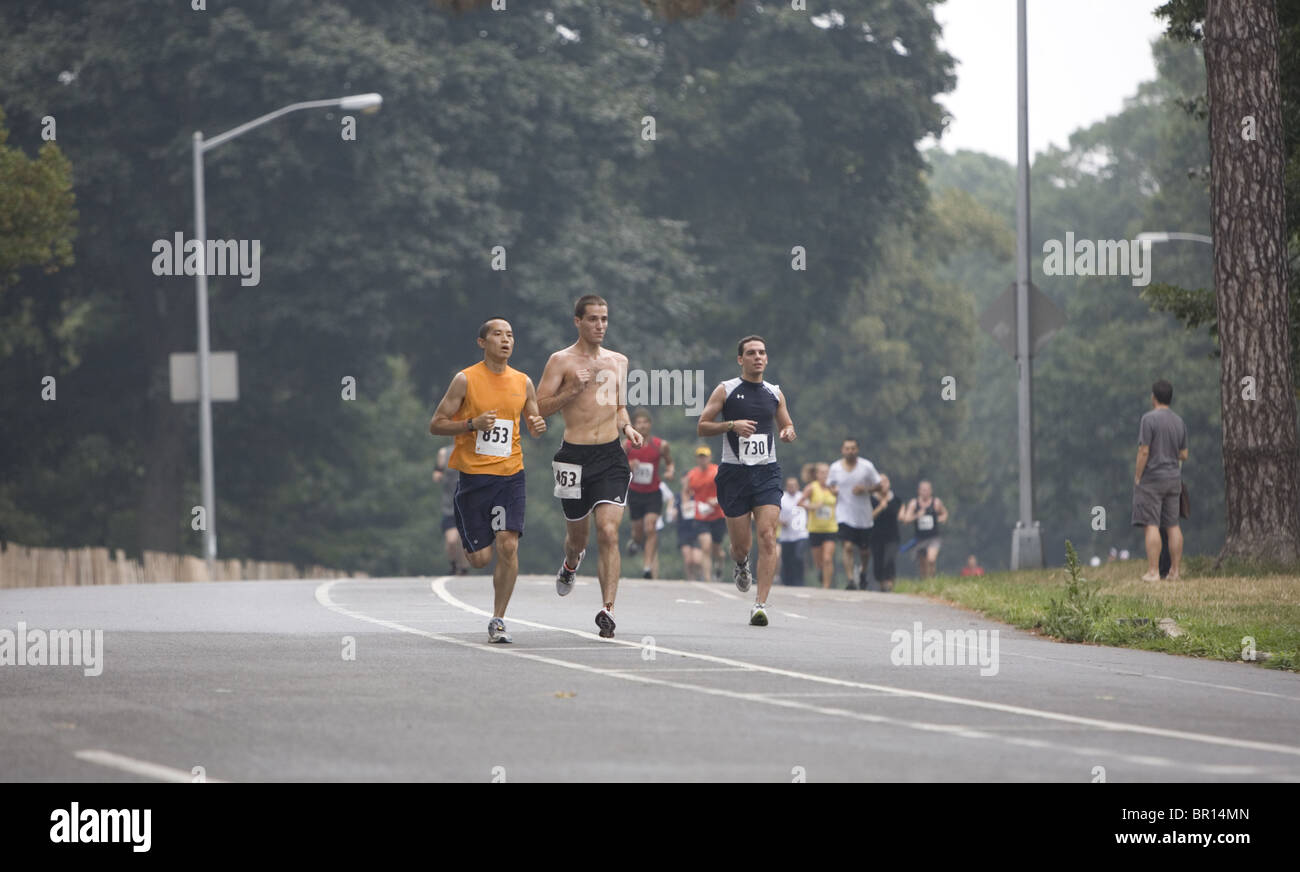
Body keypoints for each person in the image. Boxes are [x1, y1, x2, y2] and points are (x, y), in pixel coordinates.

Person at [427, 318, 546, 643]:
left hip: (510, 476)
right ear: (482, 342)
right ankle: (474, 537)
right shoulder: (465, 380)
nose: (506, 340)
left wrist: (536, 426)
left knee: (508, 545)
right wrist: (471, 424)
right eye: (498, 334)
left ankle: (499, 619)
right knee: (480, 559)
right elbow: (436, 424)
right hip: (473, 479)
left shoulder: (523, 381)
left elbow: (533, 420)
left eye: (510, 335)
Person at [536, 295, 641, 638]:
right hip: (573, 458)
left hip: (611, 456)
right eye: (593, 319)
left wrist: (627, 427)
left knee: (609, 532)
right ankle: (570, 563)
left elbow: (620, 406)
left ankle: (607, 609)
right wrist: (572, 389)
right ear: (577, 321)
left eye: (605, 319)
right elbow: (539, 408)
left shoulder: (619, 361)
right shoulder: (561, 361)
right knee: (578, 539)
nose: (600, 325)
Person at [697, 335, 797, 626]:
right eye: (751, 353)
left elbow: (786, 422)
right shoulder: (726, 390)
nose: (758, 357)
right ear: (741, 359)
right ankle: (741, 564)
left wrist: (788, 431)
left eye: (762, 353)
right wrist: (731, 425)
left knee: (767, 535)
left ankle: (760, 604)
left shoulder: (774, 392)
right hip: (734, 474)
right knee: (741, 545)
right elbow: (702, 426)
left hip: (767, 472)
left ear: (767, 358)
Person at [1131, 379, 1188, 582]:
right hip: (1174, 479)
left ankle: (1154, 571)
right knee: (1173, 525)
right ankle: (1175, 571)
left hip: (1153, 478)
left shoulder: (1149, 420)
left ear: (1153, 397)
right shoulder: (1179, 421)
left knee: (1151, 524)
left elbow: (1144, 450)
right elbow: (1184, 454)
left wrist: (1138, 475)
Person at [826, 438, 884, 590]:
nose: (850, 451)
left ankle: (863, 573)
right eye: (847, 448)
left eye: (853, 448)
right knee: (848, 546)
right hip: (844, 513)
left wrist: (865, 489)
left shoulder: (866, 467)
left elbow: (880, 487)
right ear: (842, 450)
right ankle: (851, 579)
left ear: (857, 450)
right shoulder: (835, 468)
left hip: (863, 516)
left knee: (865, 551)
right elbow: (830, 485)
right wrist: (834, 491)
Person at [624, 408, 674, 579]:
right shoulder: (627, 446)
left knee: (650, 528)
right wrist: (629, 465)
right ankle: (636, 542)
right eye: (639, 423)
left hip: (653, 492)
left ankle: (647, 567)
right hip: (635, 493)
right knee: (638, 531)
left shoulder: (660, 445)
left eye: (645, 422)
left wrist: (669, 472)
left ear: (650, 425)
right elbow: (617, 465)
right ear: (633, 425)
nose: (642, 426)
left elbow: (669, 464)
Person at [684, 446, 727, 582]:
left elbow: (726, 489)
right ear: (697, 459)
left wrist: (717, 499)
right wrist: (687, 504)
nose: (702, 459)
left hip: (717, 514)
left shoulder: (716, 471)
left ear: (709, 458)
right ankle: (708, 579)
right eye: (700, 457)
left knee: (717, 549)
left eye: (704, 456)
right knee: (705, 546)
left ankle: (720, 563)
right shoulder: (692, 475)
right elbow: (686, 491)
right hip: (701, 516)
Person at [432, 445, 470, 576]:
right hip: (450, 506)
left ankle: (464, 568)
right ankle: (453, 563)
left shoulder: (473, 451)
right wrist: (439, 474)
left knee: (463, 539)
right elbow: (437, 474)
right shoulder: (444, 453)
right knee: (451, 540)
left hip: (467, 505)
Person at [900, 480, 948, 578]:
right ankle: (926, 582)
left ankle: (933, 581)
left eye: (927, 490)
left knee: (931, 559)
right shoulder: (914, 503)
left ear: (931, 491)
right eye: (923, 490)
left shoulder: (936, 502)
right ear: (919, 491)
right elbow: (906, 520)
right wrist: (917, 515)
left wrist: (940, 519)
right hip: (919, 538)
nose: (925, 492)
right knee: (923, 565)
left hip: (933, 537)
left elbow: (944, 513)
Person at [802, 462, 838, 589]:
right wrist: (812, 506)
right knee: (819, 562)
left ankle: (826, 586)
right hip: (815, 529)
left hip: (831, 528)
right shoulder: (812, 487)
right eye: (822, 473)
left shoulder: (833, 488)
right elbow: (800, 503)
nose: (825, 475)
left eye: (827, 473)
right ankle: (821, 573)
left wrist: (837, 494)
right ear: (817, 474)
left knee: (827, 558)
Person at [869, 474, 902, 591]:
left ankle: (890, 582)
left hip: (892, 536)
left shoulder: (896, 499)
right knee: (878, 561)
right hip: (876, 536)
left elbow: (900, 514)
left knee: (889, 559)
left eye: (885, 481)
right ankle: (882, 584)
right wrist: (880, 507)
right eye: (880, 482)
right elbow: (868, 517)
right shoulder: (871, 499)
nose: (883, 484)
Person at [778, 476, 809, 586]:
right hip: (786, 535)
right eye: (790, 485)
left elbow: (809, 510)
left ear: (798, 486)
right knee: (786, 560)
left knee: (798, 557)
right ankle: (787, 582)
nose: (792, 487)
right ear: (786, 487)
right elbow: (775, 514)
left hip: (801, 534)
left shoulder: (802, 497)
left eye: (794, 485)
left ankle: (799, 581)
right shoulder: (782, 498)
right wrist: (780, 522)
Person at [677, 478, 704, 581]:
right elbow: (673, 512)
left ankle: (701, 575)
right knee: (688, 560)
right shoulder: (678, 497)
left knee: (696, 560)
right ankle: (690, 579)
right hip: (684, 531)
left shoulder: (697, 495)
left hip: (697, 529)